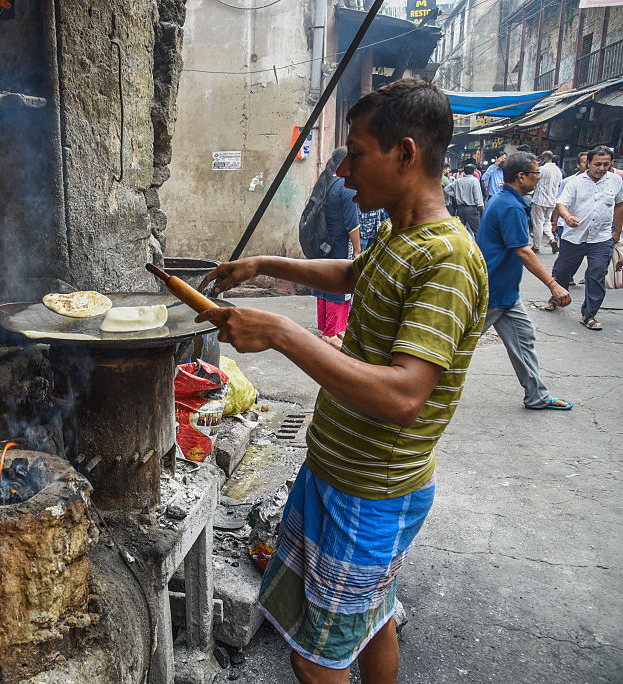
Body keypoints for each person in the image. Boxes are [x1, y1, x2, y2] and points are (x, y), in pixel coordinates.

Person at [196, 78, 487, 684]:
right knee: (374, 615)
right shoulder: (399, 233)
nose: (345, 172)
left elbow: (405, 396)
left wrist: (281, 332)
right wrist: (265, 264)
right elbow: (354, 274)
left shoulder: (447, 259)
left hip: (370, 493)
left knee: (315, 658)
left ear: (405, 153)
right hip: (339, 473)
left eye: (355, 155)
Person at [476, 152, 572, 410]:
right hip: (493, 291)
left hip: (503, 292)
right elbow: (523, 251)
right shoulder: (510, 206)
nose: (539, 178)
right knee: (458, 346)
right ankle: (410, 388)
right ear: (521, 176)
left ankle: (536, 395)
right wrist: (553, 284)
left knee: (524, 337)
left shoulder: (504, 200)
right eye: (536, 173)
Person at [547, 145, 623, 330]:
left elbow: (619, 206)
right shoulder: (575, 182)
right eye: (597, 164)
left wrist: (618, 232)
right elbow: (561, 204)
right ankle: (557, 295)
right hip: (575, 236)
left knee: (597, 275)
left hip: (602, 237)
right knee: (562, 270)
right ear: (588, 163)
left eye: (606, 164)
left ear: (611, 163)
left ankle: (589, 314)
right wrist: (566, 217)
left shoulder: (616, 181)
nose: (602, 168)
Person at [312, 148, 361, 348]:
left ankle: (329, 328)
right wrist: (357, 249)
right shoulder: (346, 187)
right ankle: (331, 333)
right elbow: (353, 223)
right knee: (340, 286)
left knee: (324, 284)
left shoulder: (324, 182)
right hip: (340, 244)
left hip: (322, 243)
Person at [530, 150, 563, 253]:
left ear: (545, 158)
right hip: (552, 201)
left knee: (538, 223)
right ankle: (551, 239)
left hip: (539, 200)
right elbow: (559, 185)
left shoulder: (541, 169)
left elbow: (533, 180)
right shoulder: (558, 171)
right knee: (547, 222)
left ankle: (536, 246)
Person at [553, 151, 588, 245]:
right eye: (585, 162)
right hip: (565, 224)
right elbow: (559, 203)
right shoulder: (568, 182)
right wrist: (555, 222)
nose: (588, 165)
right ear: (578, 164)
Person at [444, 162, 485, 234]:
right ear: (473, 171)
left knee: (460, 231)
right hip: (471, 209)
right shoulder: (474, 180)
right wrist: (482, 209)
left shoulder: (458, 181)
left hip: (460, 209)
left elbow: (446, 189)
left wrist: (454, 195)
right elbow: (478, 198)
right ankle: (479, 245)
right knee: (478, 232)